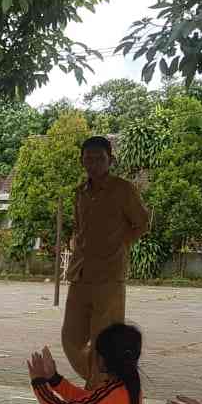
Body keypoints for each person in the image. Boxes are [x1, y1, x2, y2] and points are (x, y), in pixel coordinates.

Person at [62, 136, 151, 385]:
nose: (93, 163)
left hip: (110, 277)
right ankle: (100, 381)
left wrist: (120, 245)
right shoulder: (80, 193)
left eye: (99, 158)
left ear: (110, 160)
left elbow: (142, 224)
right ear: (82, 161)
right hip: (80, 274)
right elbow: (79, 228)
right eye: (88, 158)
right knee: (71, 338)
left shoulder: (123, 189)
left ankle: (99, 389)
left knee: (104, 340)